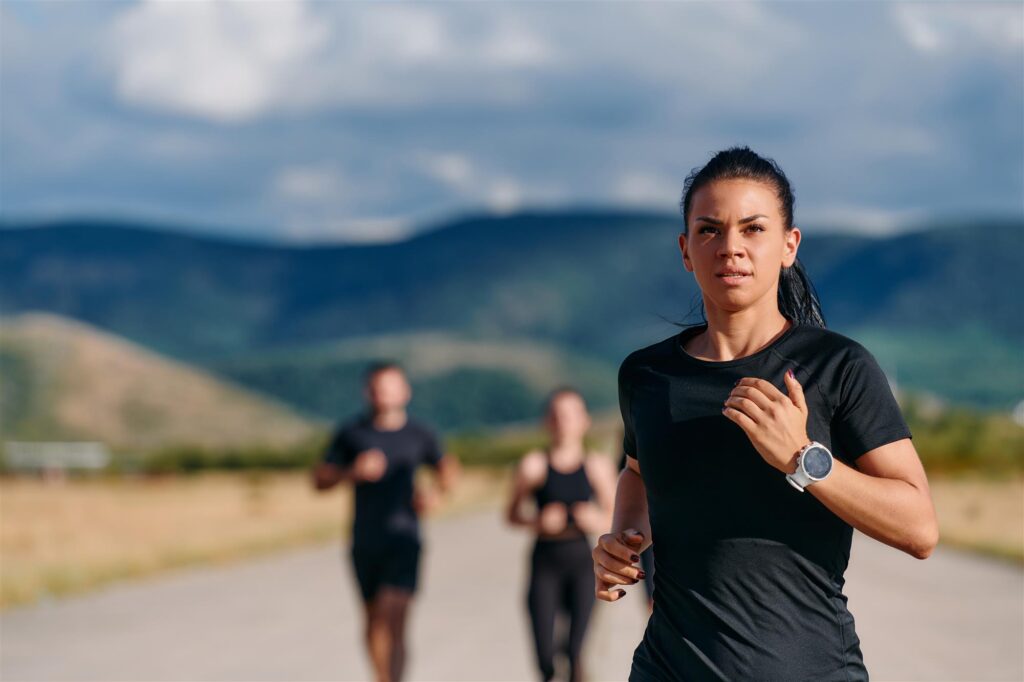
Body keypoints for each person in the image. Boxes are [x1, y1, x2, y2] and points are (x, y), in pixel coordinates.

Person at [592, 146, 939, 681]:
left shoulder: (837, 366)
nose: (730, 247)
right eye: (709, 230)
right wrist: (624, 540)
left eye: (753, 229)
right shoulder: (647, 375)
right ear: (686, 250)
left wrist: (802, 458)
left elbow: (919, 528)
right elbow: (638, 473)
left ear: (788, 245)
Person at [313, 361, 459, 682]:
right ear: (367, 392)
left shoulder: (420, 434)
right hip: (366, 540)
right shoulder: (352, 433)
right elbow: (319, 480)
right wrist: (352, 472)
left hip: (405, 538)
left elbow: (447, 469)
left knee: (395, 619)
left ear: (405, 391)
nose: (383, 394)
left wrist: (435, 494)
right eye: (377, 387)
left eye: (390, 386)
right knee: (374, 621)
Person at [506, 387, 618, 682]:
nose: (563, 422)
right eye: (556, 415)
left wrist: (594, 518)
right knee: (545, 659)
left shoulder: (596, 466)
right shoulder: (533, 465)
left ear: (584, 421)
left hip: (581, 562)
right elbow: (512, 515)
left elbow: (614, 515)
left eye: (570, 415)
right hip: (545, 561)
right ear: (547, 422)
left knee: (575, 653)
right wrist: (538, 522)